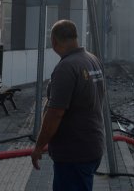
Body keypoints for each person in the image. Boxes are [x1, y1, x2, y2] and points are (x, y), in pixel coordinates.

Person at [30, 20, 107, 191]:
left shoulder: (66, 68)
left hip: (74, 153)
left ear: (54, 41)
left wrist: (38, 147)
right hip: (92, 146)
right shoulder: (92, 60)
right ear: (75, 37)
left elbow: (55, 114)